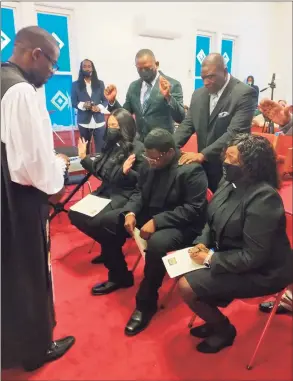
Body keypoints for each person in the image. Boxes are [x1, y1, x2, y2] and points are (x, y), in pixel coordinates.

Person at [1, 26, 75, 371]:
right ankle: (34, 349)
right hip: (20, 200)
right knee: (28, 273)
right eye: (53, 63)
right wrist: (58, 168)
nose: (53, 71)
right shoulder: (21, 92)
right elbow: (33, 166)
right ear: (36, 55)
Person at [178, 134, 293, 354]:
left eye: (232, 159)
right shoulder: (228, 183)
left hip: (264, 271)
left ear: (251, 165)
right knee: (183, 272)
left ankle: (223, 329)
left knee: (187, 286)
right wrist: (202, 244)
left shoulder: (263, 198)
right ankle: (213, 320)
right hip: (232, 256)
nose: (225, 163)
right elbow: (210, 223)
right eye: (226, 156)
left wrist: (211, 259)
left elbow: (254, 256)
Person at [90, 128, 208, 336]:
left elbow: (194, 209)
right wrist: (130, 212)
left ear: (170, 152)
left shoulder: (191, 171)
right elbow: (139, 193)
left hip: (182, 224)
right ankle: (119, 275)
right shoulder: (148, 164)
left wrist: (157, 221)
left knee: (157, 245)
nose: (151, 162)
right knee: (107, 222)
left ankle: (146, 303)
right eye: (148, 157)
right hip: (151, 214)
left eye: (155, 158)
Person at [69, 108, 145, 264]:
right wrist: (84, 158)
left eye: (114, 126)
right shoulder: (110, 144)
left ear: (124, 127)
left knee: (99, 222)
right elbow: (101, 172)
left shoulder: (138, 148)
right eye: (109, 125)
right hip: (105, 191)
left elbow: (141, 182)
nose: (110, 129)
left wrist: (125, 173)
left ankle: (113, 254)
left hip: (124, 195)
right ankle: (110, 245)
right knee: (75, 214)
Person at [174, 53, 255, 192]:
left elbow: (234, 133)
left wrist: (203, 154)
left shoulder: (244, 93)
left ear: (224, 71)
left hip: (230, 169)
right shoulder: (198, 94)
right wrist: (168, 147)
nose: (206, 82)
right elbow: (187, 125)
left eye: (211, 76)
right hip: (203, 169)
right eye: (203, 77)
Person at [104, 49, 185, 141]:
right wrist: (112, 101)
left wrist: (168, 97)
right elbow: (125, 115)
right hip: (139, 143)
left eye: (147, 68)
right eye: (139, 69)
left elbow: (180, 117)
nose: (143, 72)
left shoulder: (173, 84)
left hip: (162, 144)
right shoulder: (133, 86)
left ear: (157, 64)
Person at [71, 59, 108, 154]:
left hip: (99, 122)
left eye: (89, 66)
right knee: (85, 152)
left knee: (101, 151)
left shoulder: (100, 84)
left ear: (92, 68)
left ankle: (99, 168)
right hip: (83, 122)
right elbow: (74, 102)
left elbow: (105, 100)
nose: (87, 68)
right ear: (81, 68)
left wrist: (99, 107)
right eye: (84, 66)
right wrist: (84, 105)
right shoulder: (75, 85)